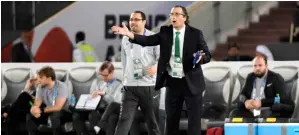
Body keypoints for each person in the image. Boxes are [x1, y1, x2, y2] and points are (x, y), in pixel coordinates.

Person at [112, 6, 211, 135]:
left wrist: (201, 58)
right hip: (173, 83)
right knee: (170, 123)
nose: (173, 17)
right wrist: (129, 34)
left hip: (192, 83)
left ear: (184, 17)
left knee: (194, 124)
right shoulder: (166, 32)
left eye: (176, 14)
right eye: (171, 14)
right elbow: (148, 40)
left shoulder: (196, 34)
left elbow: (207, 55)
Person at [112, 11, 161, 135]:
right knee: (123, 120)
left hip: (149, 87)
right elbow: (124, 62)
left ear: (144, 22)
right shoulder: (125, 39)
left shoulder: (154, 37)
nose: (132, 22)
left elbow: (163, 59)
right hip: (130, 87)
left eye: (136, 19)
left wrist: (157, 68)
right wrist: (125, 81)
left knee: (153, 123)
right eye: (131, 19)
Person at [72, 62, 123, 135]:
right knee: (76, 115)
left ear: (112, 73)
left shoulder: (119, 85)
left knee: (95, 116)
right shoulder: (100, 84)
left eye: (106, 75)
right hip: (95, 108)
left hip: (108, 111)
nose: (103, 78)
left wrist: (104, 94)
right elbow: (93, 96)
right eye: (102, 75)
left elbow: (116, 102)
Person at [26, 66, 72, 135]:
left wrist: (40, 110)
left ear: (49, 78)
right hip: (48, 110)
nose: (38, 80)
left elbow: (58, 107)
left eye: (41, 78)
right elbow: (36, 104)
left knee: (55, 115)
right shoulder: (40, 87)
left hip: (64, 112)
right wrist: (33, 109)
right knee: (29, 116)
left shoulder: (62, 86)